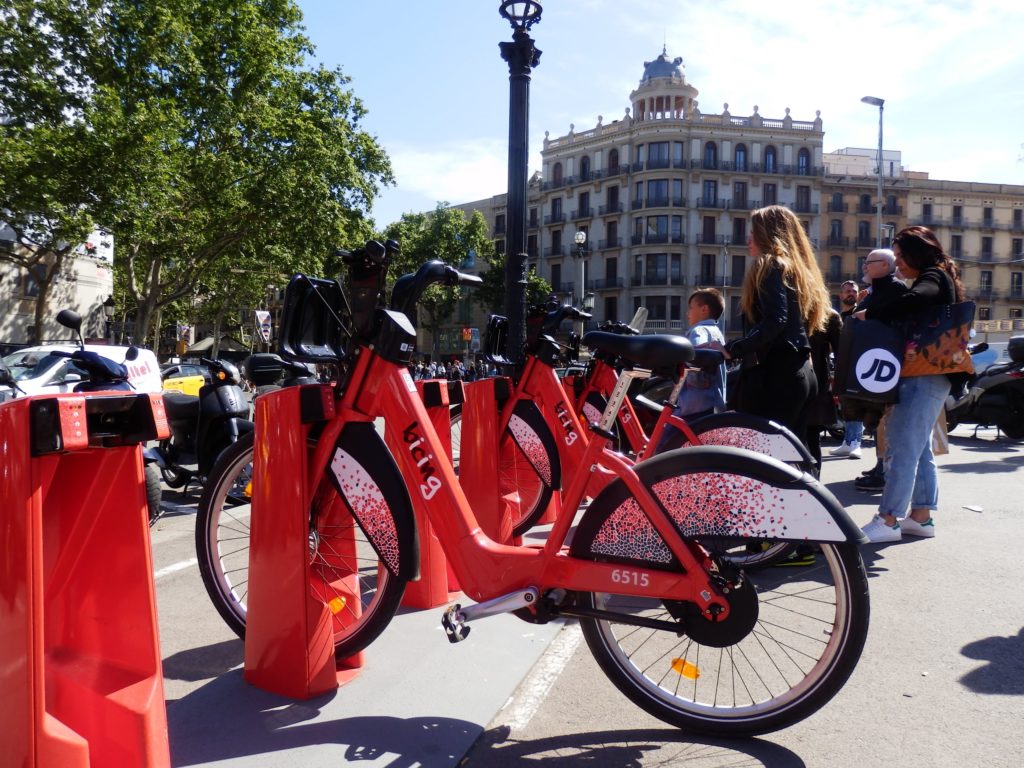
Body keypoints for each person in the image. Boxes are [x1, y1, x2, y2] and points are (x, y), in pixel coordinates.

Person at [854, 226, 965, 542]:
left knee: (901, 446)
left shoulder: (933, 276)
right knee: (918, 449)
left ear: (918, 252)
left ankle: (888, 519)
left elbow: (919, 298)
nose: (898, 263)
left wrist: (870, 311)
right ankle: (921, 517)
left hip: (924, 373)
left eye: (901, 256)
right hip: (934, 374)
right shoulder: (940, 275)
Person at [714, 205, 832, 447]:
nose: (749, 238)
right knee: (793, 459)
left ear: (768, 234)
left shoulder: (769, 265)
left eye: (754, 231)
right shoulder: (801, 271)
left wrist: (733, 349)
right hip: (802, 373)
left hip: (776, 375)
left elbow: (775, 320)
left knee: (762, 459)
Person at [849, 249, 910, 492]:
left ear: (885, 265)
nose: (864, 267)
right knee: (879, 421)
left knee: (886, 421)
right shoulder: (876, 291)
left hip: (887, 365)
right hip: (876, 363)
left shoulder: (896, 289)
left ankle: (884, 471)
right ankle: (880, 466)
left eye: (869, 262)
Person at [656, 288, 727, 451]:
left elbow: (695, 353)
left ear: (704, 309)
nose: (687, 313)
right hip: (711, 402)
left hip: (692, 404)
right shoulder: (717, 332)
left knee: (662, 446)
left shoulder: (699, 330)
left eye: (690, 308)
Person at [805, 307, 842, 474]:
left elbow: (841, 353)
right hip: (811, 384)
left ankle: (811, 486)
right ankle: (811, 486)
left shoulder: (828, 316)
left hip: (814, 385)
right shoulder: (829, 315)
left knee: (810, 438)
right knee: (809, 438)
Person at [831, 280, 864, 458]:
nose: (851, 293)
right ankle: (847, 441)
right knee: (845, 403)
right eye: (847, 291)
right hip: (842, 366)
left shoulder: (859, 315)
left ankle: (856, 442)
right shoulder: (839, 317)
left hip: (857, 366)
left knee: (855, 404)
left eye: (854, 291)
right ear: (841, 295)